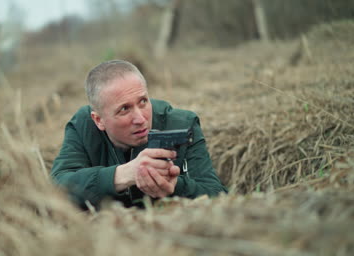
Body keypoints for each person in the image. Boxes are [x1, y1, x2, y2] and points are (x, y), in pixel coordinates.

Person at [51, 60, 227, 209]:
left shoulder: (182, 124)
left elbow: (218, 195)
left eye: (143, 101)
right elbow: (57, 188)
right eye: (124, 109)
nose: (140, 118)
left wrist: (175, 186)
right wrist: (123, 175)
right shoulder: (83, 126)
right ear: (99, 120)